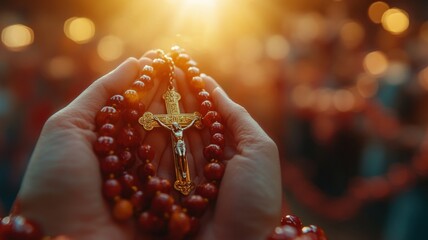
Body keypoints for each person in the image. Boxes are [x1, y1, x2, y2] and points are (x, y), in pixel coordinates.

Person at [13, 51, 282, 240]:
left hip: (181, 152)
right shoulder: (157, 119)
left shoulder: (189, 120)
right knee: (176, 146)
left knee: (179, 146)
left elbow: (191, 123)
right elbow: (151, 121)